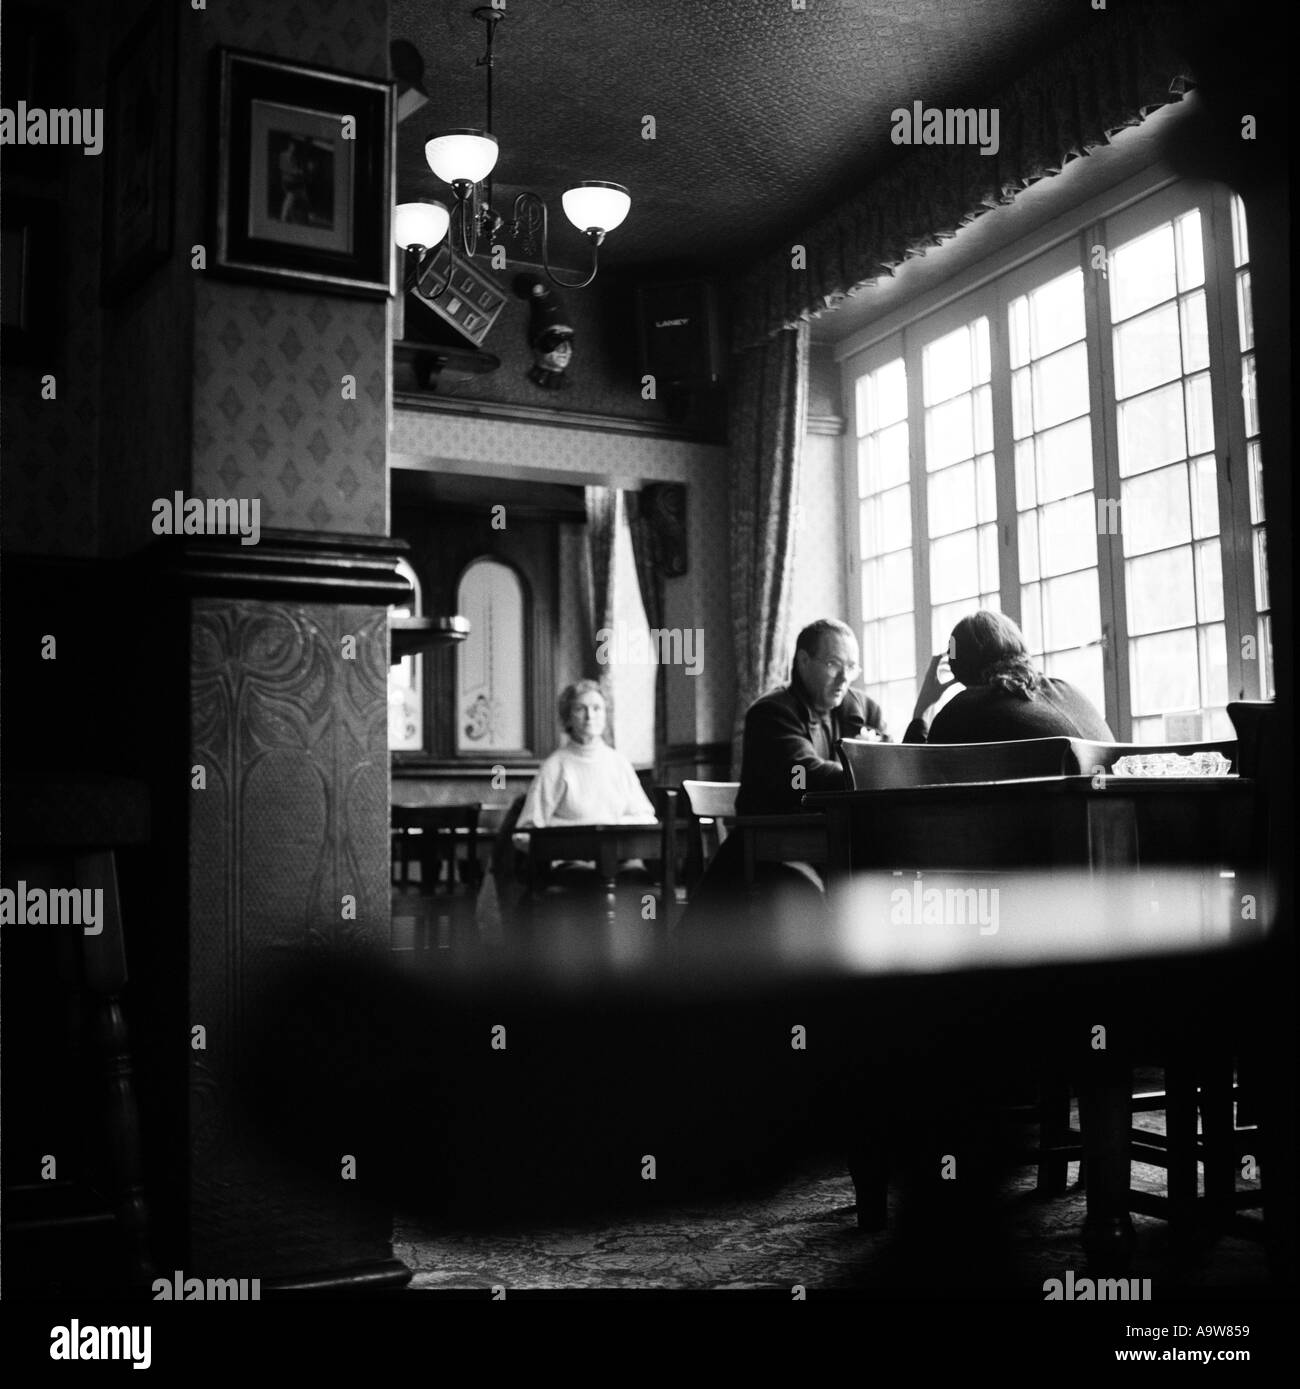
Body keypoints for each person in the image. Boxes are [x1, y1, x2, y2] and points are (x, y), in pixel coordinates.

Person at [736, 618, 888, 815]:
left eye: (851, 667)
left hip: (834, 828)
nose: (844, 678)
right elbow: (801, 778)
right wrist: (863, 771)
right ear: (804, 661)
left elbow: (890, 765)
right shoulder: (771, 713)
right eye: (833, 664)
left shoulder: (865, 709)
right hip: (775, 834)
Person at [904, 610, 1113, 744]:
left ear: (956, 667)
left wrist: (921, 711)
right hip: (1119, 810)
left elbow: (916, 780)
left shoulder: (966, 711)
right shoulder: (1068, 690)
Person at [518, 680, 657, 827]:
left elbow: (646, 817)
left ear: (605, 715)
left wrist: (610, 826)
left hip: (614, 848)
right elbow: (527, 831)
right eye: (580, 709)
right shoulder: (555, 766)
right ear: (568, 718)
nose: (589, 716)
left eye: (596, 708)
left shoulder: (619, 764)